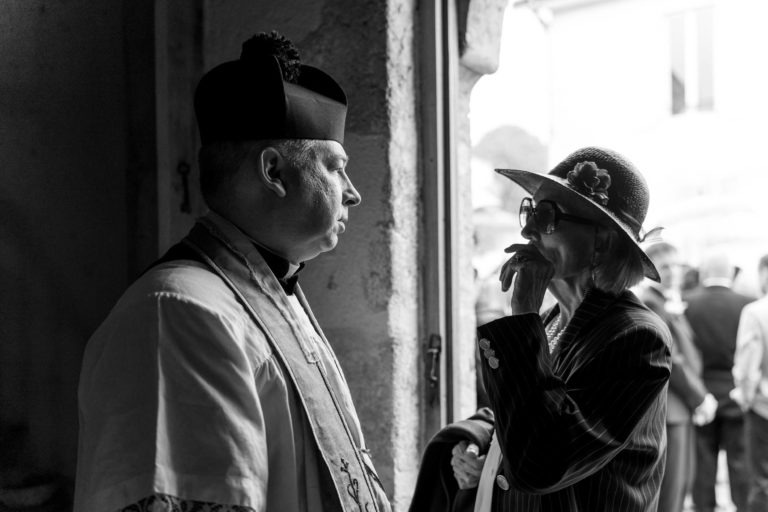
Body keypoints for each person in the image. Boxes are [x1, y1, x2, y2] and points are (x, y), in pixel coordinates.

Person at [74, 32, 391, 512]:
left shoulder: (273, 297)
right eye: (335, 168)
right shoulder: (178, 312)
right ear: (273, 171)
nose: (353, 193)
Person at [437, 147, 672, 511]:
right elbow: (525, 407)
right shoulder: (550, 320)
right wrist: (480, 440)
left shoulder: (637, 337)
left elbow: (543, 461)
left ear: (602, 242)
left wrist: (521, 316)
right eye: (530, 210)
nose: (528, 229)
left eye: (548, 216)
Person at [638, 241, 717, 512]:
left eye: (675, 266)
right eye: (664, 267)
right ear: (649, 270)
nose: (672, 273)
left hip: (679, 409)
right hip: (671, 408)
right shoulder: (650, 301)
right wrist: (700, 397)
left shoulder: (664, 301)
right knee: (671, 492)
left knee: (681, 487)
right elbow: (671, 357)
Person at [684, 252, 754, 512]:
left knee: (704, 462)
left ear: (704, 273)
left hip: (701, 394)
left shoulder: (687, 303)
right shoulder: (748, 303)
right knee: (740, 461)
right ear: (730, 274)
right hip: (736, 393)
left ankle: (704, 507)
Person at [731, 254, 768, 511]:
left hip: (763, 408)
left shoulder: (756, 311)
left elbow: (747, 368)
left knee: (762, 480)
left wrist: (745, 397)